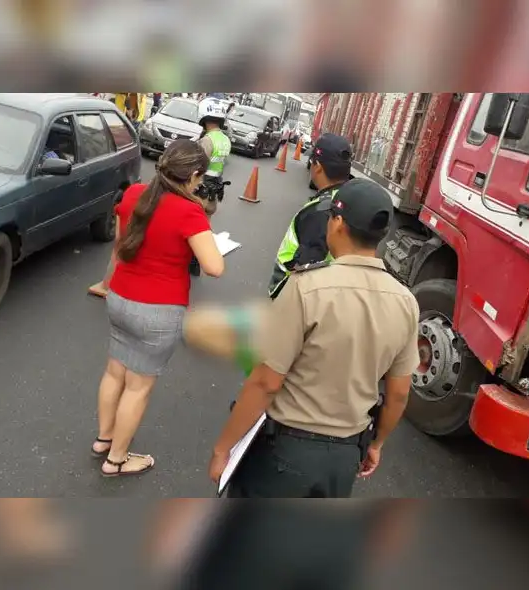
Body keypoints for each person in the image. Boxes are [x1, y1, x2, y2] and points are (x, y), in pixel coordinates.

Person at [208, 178, 420, 498]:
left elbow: (266, 381)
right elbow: (399, 393)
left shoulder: (306, 287)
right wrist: (376, 444)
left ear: (338, 223)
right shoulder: (406, 302)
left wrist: (223, 448)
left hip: (285, 453)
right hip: (345, 458)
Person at [91, 139, 225, 477]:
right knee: (138, 387)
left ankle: (104, 440)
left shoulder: (134, 193)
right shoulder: (190, 211)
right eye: (199, 178)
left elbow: (120, 245)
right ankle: (116, 460)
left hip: (119, 298)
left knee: (114, 372)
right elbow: (214, 266)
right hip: (158, 311)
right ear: (192, 176)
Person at [266, 133, 353, 299]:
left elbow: (307, 268)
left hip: (292, 296)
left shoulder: (321, 211)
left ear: (317, 166)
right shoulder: (347, 198)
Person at [189, 100, 231, 277]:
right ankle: (198, 260)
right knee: (205, 225)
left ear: (204, 119)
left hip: (200, 188)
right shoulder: (225, 140)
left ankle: (192, 259)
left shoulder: (207, 140)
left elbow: (196, 165)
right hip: (215, 189)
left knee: (192, 226)